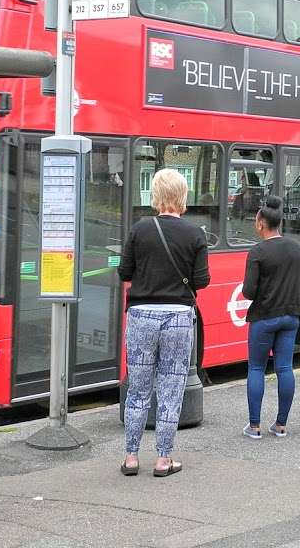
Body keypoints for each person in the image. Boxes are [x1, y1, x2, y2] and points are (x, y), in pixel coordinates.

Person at [118, 168, 210, 477]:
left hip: (142, 315)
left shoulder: (139, 229)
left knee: (138, 390)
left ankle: (131, 457)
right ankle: (163, 460)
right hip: (178, 317)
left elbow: (124, 273)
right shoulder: (195, 234)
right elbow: (202, 281)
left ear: (155, 197)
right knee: (171, 389)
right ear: (183, 198)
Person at [241, 196, 300, 439]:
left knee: (257, 368)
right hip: (291, 318)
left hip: (264, 318)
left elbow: (249, 292)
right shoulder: (297, 248)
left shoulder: (258, 252)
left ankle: (254, 426)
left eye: (256, 220)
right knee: (284, 368)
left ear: (262, 223)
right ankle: (281, 425)